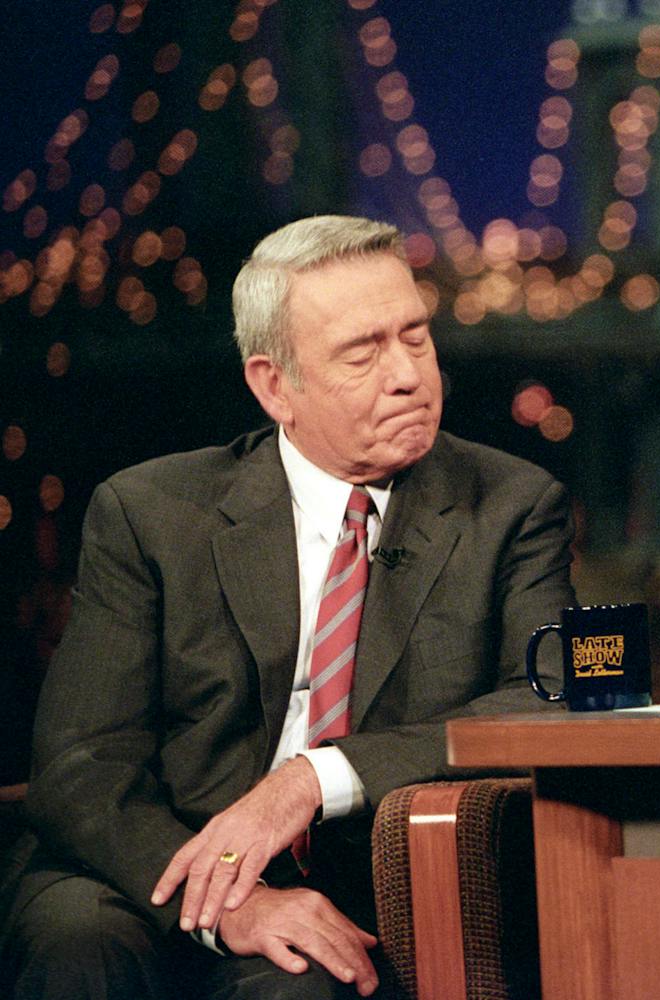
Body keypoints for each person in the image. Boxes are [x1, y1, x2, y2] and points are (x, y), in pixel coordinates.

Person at [1, 215, 576, 998]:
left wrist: (314, 778)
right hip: (147, 873)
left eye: (415, 336)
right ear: (275, 385)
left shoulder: (511, 506)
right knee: (77, 941)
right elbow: (81, 763)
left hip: (355, 885)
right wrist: (224, 906)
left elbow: (551, 701)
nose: (408, 374)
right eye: (363, 352)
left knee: (302, 984)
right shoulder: (151, 513)